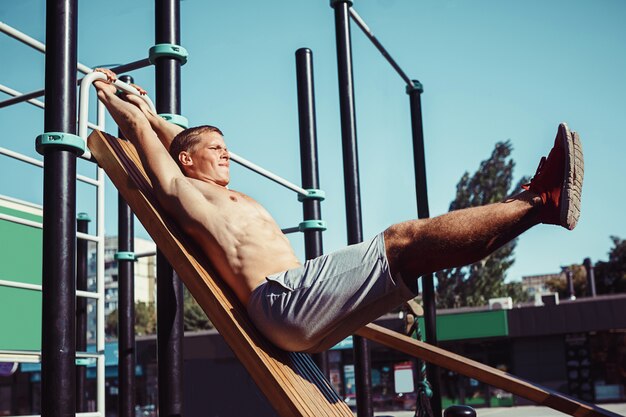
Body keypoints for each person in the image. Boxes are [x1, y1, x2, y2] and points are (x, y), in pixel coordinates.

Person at [93, 69, 583, 353]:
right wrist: (117, 99)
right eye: (216, 148)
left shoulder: (214, 188)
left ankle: (538, 208)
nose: (226, 154)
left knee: (418, 257)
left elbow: (169, 137)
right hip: (282, 300)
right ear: (187, 159)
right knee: (402, 240)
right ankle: (537, 198)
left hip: (295, 302)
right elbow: (160, 152)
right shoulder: (190, 193)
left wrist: (150, 110)